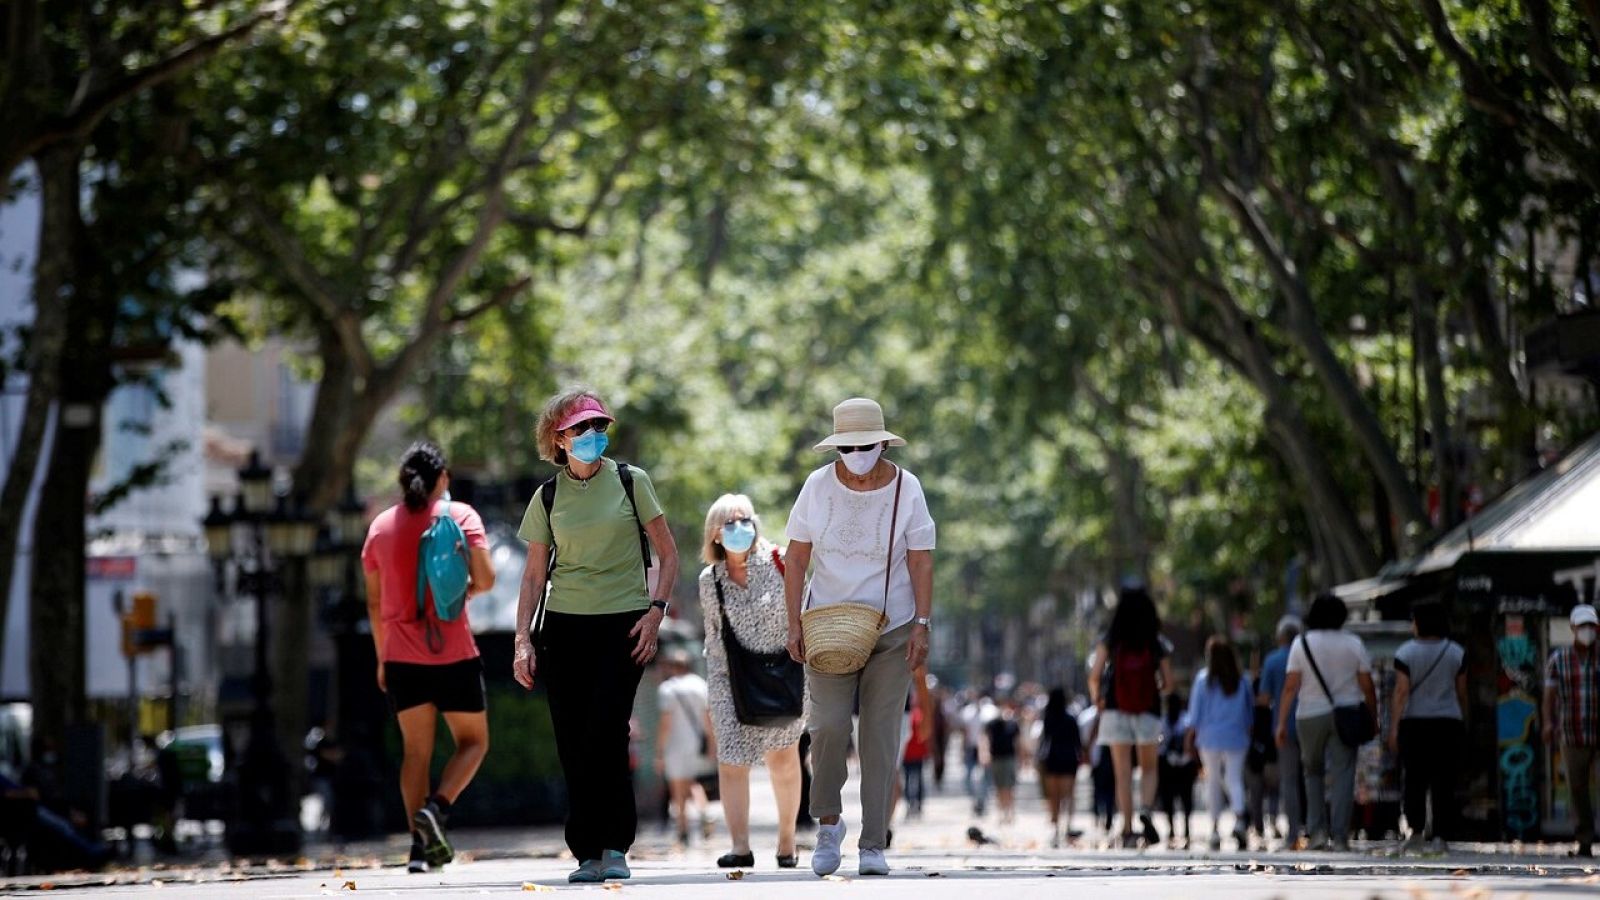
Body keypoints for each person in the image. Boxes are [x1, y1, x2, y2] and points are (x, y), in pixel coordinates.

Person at [512, 389, 680, 884]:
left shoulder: (632, 482)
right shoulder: (547, 496)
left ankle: (615, 845)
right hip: (563, 628)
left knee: (607, 732)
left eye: (599, 427)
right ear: (558, 440)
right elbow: (532, 576)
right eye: (581, 429)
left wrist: (655, 614)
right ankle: (585, 850)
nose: (593, 437)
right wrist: (522, 639)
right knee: (572, 739)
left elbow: (669, 555)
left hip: (622, 624)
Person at [784, 397, 937, 878]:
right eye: (848, 445)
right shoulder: (817, 486)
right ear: (836, 447)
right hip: (827, 627)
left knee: (880, 737)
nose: (858, 453)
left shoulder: (907, 488)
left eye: (866, 444)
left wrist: (923, 624)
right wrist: (793, 623)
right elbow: (795, 557)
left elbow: (921, 559)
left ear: (882, 443)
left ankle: (874, 842)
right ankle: (828, 822)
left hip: (891, 628)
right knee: (827, 727)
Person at [362, 441, 496, 873]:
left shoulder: (380, 527)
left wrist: (383, 658)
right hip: (453, 651)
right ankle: (437, 809)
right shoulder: (461, 516)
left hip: (401, 657)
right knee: (474, 742)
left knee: (415, 753)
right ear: (442, 479)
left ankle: (418, 851)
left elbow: (374, 603)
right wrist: (467, 588)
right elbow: (488, 579)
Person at [697, 494, 805, 869]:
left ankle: (787, 841)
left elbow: (804, 612)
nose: (740, 528)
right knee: (730, 760)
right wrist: (715, 693)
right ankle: (740, 846)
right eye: (730, 523)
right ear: (714, 534)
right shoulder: (710, 581)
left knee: (783, 759)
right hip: (732, 678)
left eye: (746, 520)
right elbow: (713, 637)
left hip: (783, 675)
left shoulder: (779, 562)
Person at [1275, 593, 1377, 852]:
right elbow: (1367, 686)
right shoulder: (1353, 643)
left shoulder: (1301, 643)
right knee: (1344, 773)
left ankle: (1317, 832)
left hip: (1309, 715)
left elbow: (1290, 687)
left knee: (1312, 772)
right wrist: (1373, 717)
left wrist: (1281, 723)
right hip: (1347, 713)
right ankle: (1341, 836)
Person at [1087, 586, 1175, 848]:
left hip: (1115, 709)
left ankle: (1126, 829)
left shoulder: (1110, 639)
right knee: (1149, 768)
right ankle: (1146, 809)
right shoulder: (1156, 640)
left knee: (1122, 772)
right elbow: (1169, 683)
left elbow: (1094, 675)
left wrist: (1098, 699)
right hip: (1147, 710)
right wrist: (1153, 689)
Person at [1386, 602, 1466, 855]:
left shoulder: (1405, 653)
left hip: (1415, 723)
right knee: (1444, 780)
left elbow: (1401, 692)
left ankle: (1416, 831)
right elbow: (1462, 691)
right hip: (1448, 722)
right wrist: (1465, 717)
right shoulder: (1456, 652)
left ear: (1419, 623)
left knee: (1414, 779)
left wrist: (1394, 728)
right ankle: (1441, 835)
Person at [1186, 637, 1255, 851]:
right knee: (1234, 779)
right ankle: (1240, 820)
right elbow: (1249, 715)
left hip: (1209, 738)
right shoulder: (1242, 681)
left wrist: (1188, 739)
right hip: (1236, 737)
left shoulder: (1202, 681)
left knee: (1213, 781)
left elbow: (1194, 716)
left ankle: (1215, 829)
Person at [1544, 603, 1600, 858]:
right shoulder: (1559, 660)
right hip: (1572, 732)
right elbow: (1550, 696)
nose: (1587, 631)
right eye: (1583, 626)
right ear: (1573, 628)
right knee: (1577, 790)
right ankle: (1585, 840)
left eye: (1591, 626)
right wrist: (1548, 723)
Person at [656, 651, 713, 847]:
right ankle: (704, 813)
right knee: (693, 783)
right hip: (696, 742)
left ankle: (683, 829)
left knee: (677, 787)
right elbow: (708, 719)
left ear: (672, 667)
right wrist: (712, 744)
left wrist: (659, 752)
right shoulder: (700, 685)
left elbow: (665, 723)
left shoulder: (668, 689)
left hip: (675, 743)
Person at [1258, 615, 1304, 849]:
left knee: (1289, 781)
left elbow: (1265, 698)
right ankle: (1319, 830)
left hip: (1284, 726)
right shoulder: (1307, 655)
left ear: (1280, 637)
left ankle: (1293, 834)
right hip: (1311, 720)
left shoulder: (1272, 660)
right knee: (1313, 778)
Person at [1038, 687, 1083, 847]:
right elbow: (1078, 742)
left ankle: (1056, 828)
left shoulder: (1048, 719)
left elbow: (1044, 740)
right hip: (1069, 760)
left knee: (1054, 796)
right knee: (1068, 795)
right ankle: (1068, 825)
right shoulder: (1071, 719)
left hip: (1052, 759)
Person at [1158, 693, 1198, 849]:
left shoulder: (1166, 721)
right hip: (1180, 767)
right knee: (1183, 799)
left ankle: (1177, 829)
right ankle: (1181, 829)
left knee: (1174, 799)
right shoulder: (1185, 720)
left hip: (1176, 766)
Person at [984, 697, 1025, 825]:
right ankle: (1001, 814)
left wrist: (1022, 759)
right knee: (999, 788)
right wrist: (985, 754)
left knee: (1009, 788)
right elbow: (986, 739)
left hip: (1009, 759)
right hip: (996, 758)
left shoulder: (1013, 724)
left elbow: (1018, 743)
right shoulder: (992, 724)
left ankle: (1010, 813)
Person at [902, 693, 931, 819]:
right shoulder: (917, 714)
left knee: (912, 780)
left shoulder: (911, 715)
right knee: (915, 780)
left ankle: (913, 804)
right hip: (911, 754)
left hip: (912, 754)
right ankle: (914, 804)